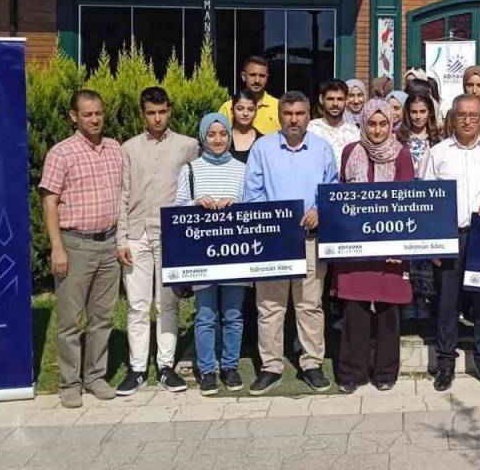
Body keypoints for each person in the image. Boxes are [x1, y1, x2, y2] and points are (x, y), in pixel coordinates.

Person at [243, 92, 340, 394]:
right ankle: (271, 366)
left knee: (309, 305)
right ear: (280, 115)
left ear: (309, 115)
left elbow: (332, 187)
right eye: (288, 114)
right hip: (273, 242)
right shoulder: (263, 148)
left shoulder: (322, 149)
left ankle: (312, 363)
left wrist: (318, 210)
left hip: (310, 239)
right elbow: (252, 193)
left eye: (300, 113)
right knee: (270, 307)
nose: (294, 119)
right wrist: (273, 221)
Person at [39, 90, 122, 408]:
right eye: (88, 114)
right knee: (71, 320)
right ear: (74, 116)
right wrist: (56, 248)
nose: (95, 119)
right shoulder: (61, 153)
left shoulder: (114, 149)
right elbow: (49, 202)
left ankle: (95, 377)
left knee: (102, 318)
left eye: (99, 112)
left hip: (109, 243)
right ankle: (70, 382)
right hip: (75, 245)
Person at [115, 87, 198, 395]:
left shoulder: (188, 146)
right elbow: (122, 195)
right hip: (136, 234)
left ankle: (165, 366)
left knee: (168, 304)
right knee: (137, 306)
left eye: (162, 111)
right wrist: (120, 238)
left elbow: (194, 190)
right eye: (151, 113)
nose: (157, 118)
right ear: (143, 114)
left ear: (170, 110)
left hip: (170, 235)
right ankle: (137, 369)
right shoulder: (129, 148)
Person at [421, 95, 480, 391]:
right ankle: (445, 365)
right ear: (452, 119)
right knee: (447, 304)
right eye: (462, 115)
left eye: (473, 115)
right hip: (449, 237)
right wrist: (433, 243)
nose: (468, 120)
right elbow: (425, 199)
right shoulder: (437, 153)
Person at [333, 99, 414, 393]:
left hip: (390, 247)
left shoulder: (402, 155)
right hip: (356, 247)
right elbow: (341, 196)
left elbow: (408, 203)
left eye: (383, 124)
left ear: (390, 125)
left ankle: (385, 372)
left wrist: (398, 248)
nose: (378, 130)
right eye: (372, 124)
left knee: (388, 312)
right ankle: (351, 373)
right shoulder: (349, 153)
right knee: (354, 311)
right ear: (363, 124)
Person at [177, 113, 247, 396]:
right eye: (211, 135)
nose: (217, 140)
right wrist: (195, 203)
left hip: (235, 253)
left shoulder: (242, 168)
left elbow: (255, 206)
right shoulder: (190, 170)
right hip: (202, 256)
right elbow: (177, 207)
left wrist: (237, 204)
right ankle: (207, 370)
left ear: (229, 136)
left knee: (233, 314)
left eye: (222, 134)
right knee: (205, 315)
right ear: (203, 137)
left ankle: (229, 366)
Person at [219, 56, 280, 134]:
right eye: (253, 75)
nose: (257, 80)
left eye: (262, 76)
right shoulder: (228, 108)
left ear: (267, 78)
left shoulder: (278, 107)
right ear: (243, 76)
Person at [308, 79, 361, 165]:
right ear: (321, 99)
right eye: (330, 99)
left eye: (340, 99)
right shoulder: (310, 130)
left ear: (346, 100)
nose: (335, 104)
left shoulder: (355, 134)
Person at [398, 92, 441, 174]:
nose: (418, 117)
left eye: (422, 111)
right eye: (414, 112)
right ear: (407, 113)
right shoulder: (399, 139)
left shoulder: (437, 140)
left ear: (429, 112)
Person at [229, 91, 259, 164]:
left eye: (250, 109)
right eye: (240, 109)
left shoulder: (262, 141)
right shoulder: (223, 139)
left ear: (256, 112)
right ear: (232, 111)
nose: (245, 113)